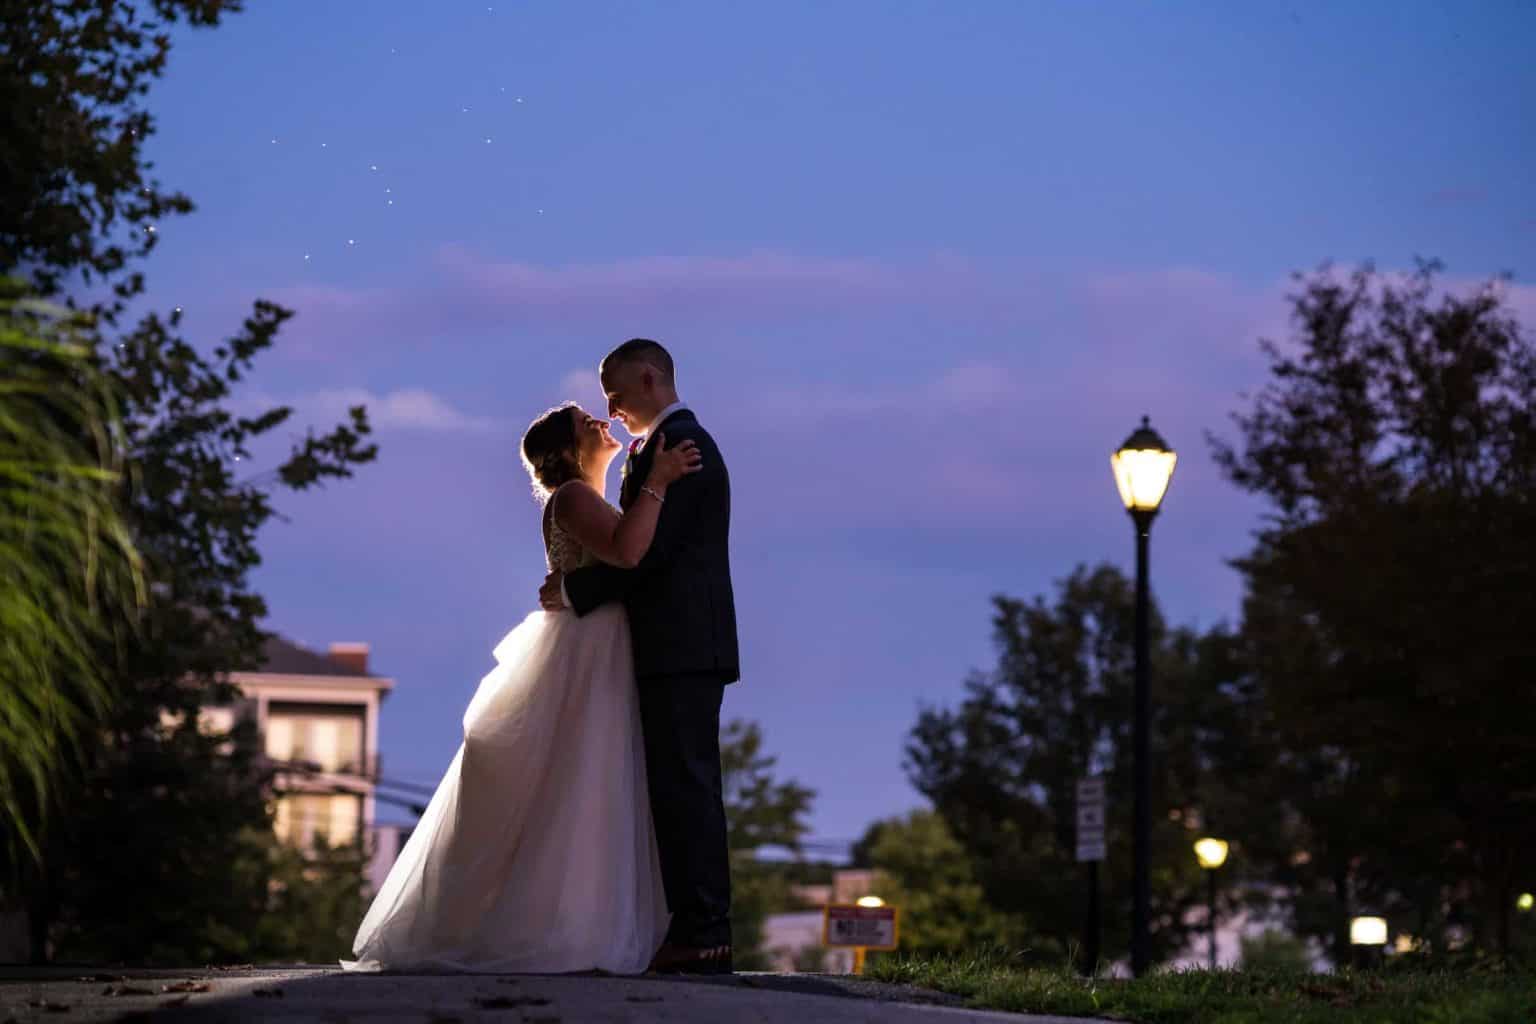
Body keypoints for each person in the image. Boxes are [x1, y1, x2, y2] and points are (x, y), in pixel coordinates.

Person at [342, 401, 701, 973]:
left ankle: (585, 919)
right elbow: (629, 552)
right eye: (587, 423)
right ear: (564, 452)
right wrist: (657, 482)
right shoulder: (573, 498)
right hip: (586, 650)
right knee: (582, 777)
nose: (600, 424)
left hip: (594, 642)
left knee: (584, 781)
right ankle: (565, 927)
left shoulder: (584, 497)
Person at [540, 338, 739, 974]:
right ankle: (691, 926)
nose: (612, 408)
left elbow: (646, 555)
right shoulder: (653, 453)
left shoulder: (685, 448)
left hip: (684, 644)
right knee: (674, 789)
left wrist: (574, 589)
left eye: (617, 394)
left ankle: (706, 932)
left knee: (687, 786)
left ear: (649, 378)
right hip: (666, 645)